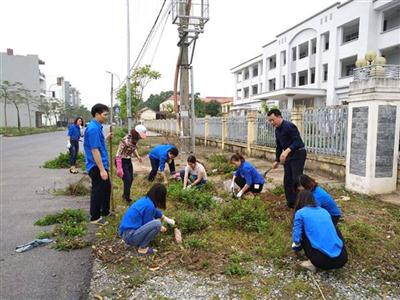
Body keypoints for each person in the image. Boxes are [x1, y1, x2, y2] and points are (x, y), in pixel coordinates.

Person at [292, 191, 347, 272]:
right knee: (333, 228)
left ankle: (311, 261)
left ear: (300, 200)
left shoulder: (300, 213)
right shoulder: (324, 211)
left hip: (321, 261)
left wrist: (296, 248)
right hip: (342, 259)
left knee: (302, 230)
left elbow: (296, 238)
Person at [119, 183, 175, 256]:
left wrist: (166, 218)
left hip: (125, 234)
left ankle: (138, 243)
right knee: (157, 224)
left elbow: (155, 211)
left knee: (156, 223)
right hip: (130, 236)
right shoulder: (150, 206)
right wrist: (160, 227)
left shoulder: (145, 200)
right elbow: (147, 223)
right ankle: (142, 248)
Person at [267, 109, 306, 208]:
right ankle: (291, 202)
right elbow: (279, 146)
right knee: (287, 180)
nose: (272, 123)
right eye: (270, 121)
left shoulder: (289, 126)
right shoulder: (277, 130)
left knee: (296, 179)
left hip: (298, 154)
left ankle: (300, 203)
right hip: (288, 156)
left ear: (279, 117)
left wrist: (287, 150)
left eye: (272, 120)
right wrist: (277, 160)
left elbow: (298, 142)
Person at [84, 103, 112, 226]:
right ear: (97, 114)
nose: (106, 117)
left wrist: (106, 137)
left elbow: (98, 144)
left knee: (106, 189)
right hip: (96, 166)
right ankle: (95, 216)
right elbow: (94, 150)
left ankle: (104, 211)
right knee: (98, 191)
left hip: (101, 164)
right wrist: (102, 170)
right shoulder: (94, 129)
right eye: (105, 114)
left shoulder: (97, 127)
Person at [115, 124, 148, 204]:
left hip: (128, 160)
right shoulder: (125, 140)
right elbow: (118, 154)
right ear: (137, 133)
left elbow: (133, 148)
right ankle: (126, 198)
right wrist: (119, 168)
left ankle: (125, 195)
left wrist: (138, 157)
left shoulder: (135, 139)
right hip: (121, 160)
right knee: (127, 180)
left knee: (131, 179)